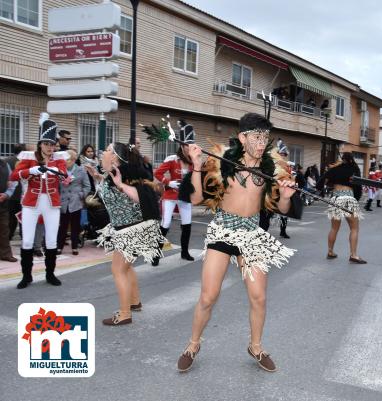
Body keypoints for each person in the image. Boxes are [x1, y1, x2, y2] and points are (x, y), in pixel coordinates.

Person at [176, 112, 298, 373]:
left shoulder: (270, 169)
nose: (261, 142)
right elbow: (196, 199)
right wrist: (197, 165)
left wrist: (286, 196)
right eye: (256, 136)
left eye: (265, 137)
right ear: (243, 137)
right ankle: (193, 344)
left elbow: (282, 208)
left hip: (251, 235)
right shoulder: (223, 163)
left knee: (259, 298)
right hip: (223, 232)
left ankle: (255, 346)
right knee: (208, 297)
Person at [95, 141, 165, 326]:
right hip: (127, 228)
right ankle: (134, 302)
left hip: (132, 230)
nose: (104, 151)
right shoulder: (113, 173)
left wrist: (120, 185)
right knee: (126, 268)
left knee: (118, 270)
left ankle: (125, 314)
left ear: (116, 159)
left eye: (108, 150)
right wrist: (98, 175)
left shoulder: (125, 177)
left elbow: (138, 195)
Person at [10, 113, 68, 288]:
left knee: (51, 240)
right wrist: (31, 171)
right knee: (27, 241)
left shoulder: (59, 159)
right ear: (40, 144)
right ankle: (26, 277)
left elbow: (64, 177)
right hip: (31, 203)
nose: (50, 147)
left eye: (52, 144)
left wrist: (56, 173)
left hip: (51, 204)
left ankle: (50, 274)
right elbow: (14, 176)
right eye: (46, 144)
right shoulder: (29, 158)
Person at [152, 121, 196, 265]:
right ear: (181, 146)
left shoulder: (194, 162)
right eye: (186, 146)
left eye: (190, 146)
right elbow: (157, 173)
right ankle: (156, 254)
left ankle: (185, 252)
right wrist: (167, 182)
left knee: (187, 224)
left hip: (185, 197)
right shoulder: (172, 159)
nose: (188, 149)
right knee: (165, 223)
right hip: (170, 196)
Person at [317, 152, 366, 263]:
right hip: (348, 198)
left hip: (335, 198)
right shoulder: (354, 169)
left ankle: (330, 252)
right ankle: (353, 255)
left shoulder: (334, 169)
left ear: (342, 159)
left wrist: (322, 189)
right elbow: (358, 187)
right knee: (354, 228)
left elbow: (320, 181)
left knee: (334, 228)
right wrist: (356, 199)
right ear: (351, 159)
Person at [57, 150, 90, 255]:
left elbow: (87, 186)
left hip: (75, 202)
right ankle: (59, 247)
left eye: (67, 159)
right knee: (62, 226)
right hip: (63, 202)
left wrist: (80, 195)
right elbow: (56, 186)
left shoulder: (81, 170)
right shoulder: (59, 170)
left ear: (73, 160)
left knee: (75, 226)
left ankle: (74, 247)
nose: (65, 161)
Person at [5, 143, 25, 240]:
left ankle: (9, 236)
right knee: (23, 217)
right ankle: (23, 236)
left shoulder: (6, 161)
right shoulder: (25, 162)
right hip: (23, 194)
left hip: (10, 194)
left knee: (11, 218)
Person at [0, 157, 17, 262]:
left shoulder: (5, 164)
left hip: (3, 204)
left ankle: (6, 254)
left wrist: (7, 194)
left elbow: (13, 182)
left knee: (4, 230)